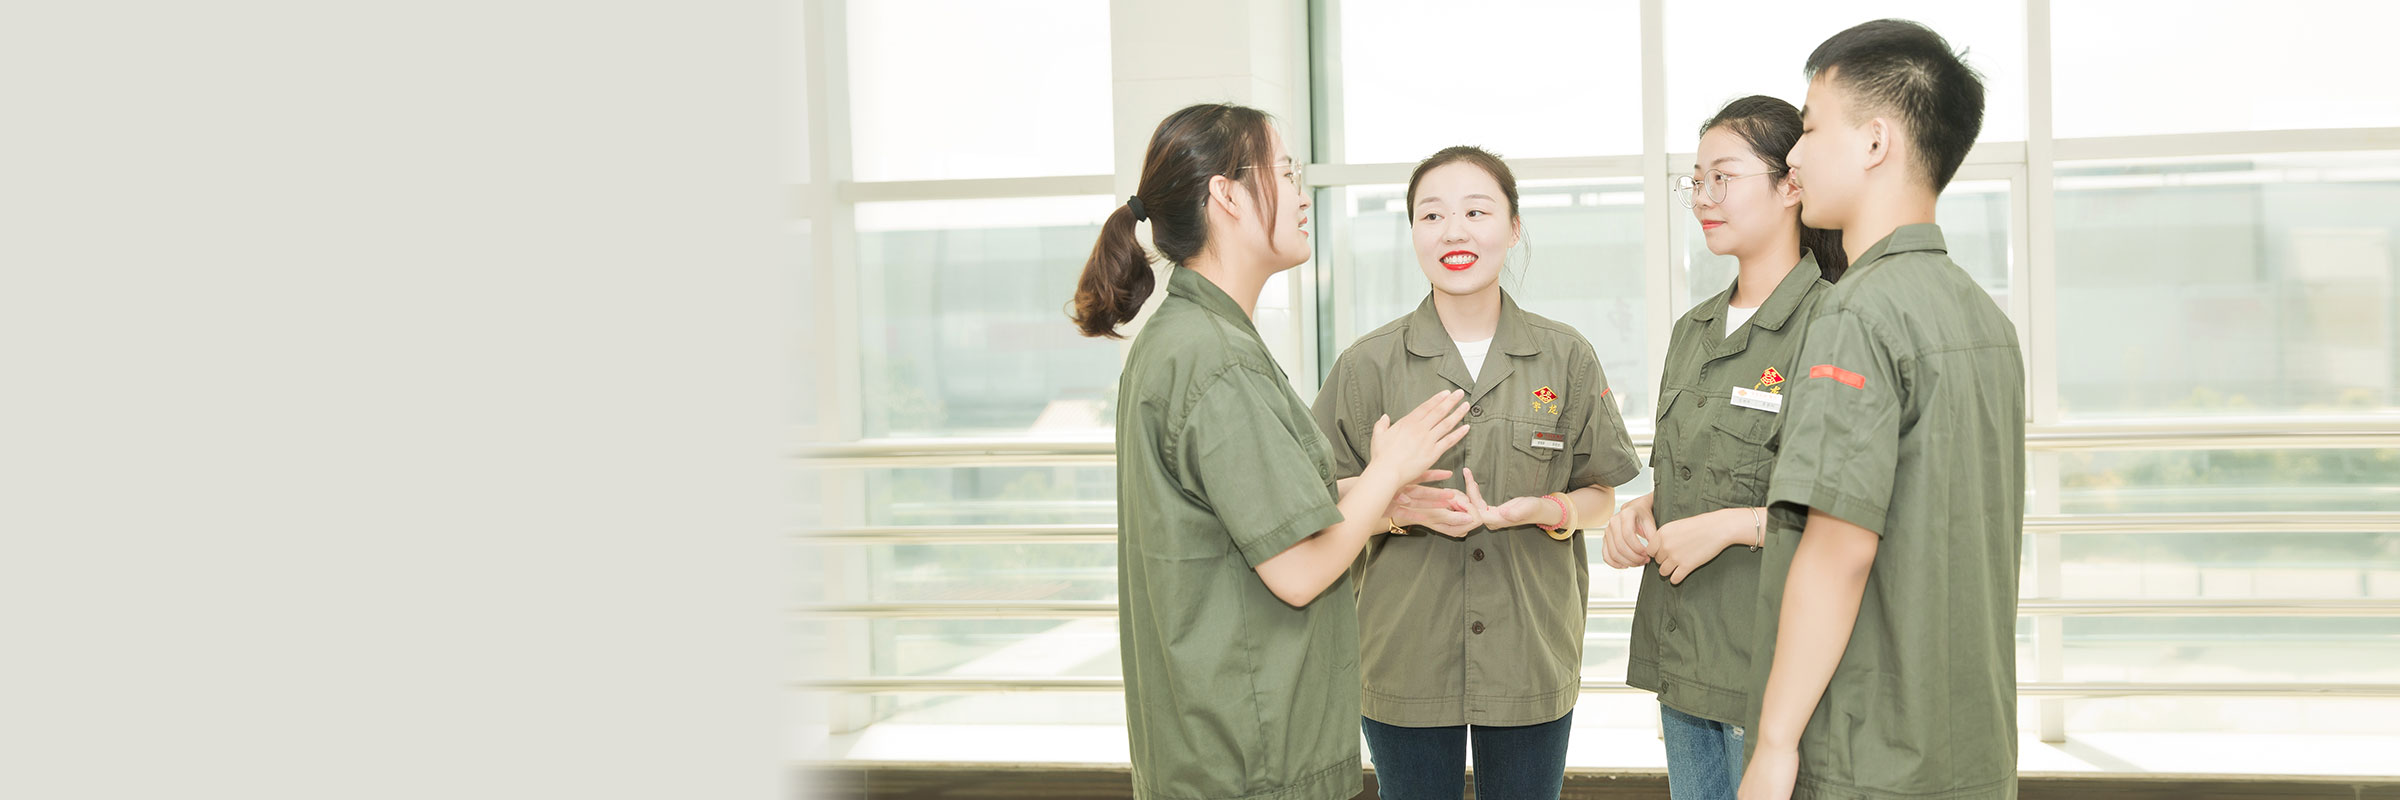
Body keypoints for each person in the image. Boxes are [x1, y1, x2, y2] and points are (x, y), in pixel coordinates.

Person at [1069, 102, 1471, 800]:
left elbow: (1246, 516)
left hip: (1216, 751)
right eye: (1286, 172)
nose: (1302, 194)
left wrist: (1381, 500)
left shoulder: (1191, 338)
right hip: (1251, 761)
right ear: (1226, 195)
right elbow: (1297, 571)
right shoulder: (1216, 360)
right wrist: (1385, 471)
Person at [1734, 20, 2027, 800]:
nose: (1795, 156)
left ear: (1873, 142)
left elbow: (1839, 551)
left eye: (1809, 128)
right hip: (1969, 750)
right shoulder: (1982, 316)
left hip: (1868, 755)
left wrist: (1774, 747)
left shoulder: (1858, 312)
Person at [1311, 145, 1642, 800]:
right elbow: (1319, 501)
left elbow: (1602, 494)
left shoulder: (1566, 356)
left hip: (1530, 650)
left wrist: (1549, 510)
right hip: (1403, 654)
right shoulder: (1366, 365)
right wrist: (1393, 506)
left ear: (1513, 228)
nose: (1453, 232)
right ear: (1413, 233)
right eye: (1432, 215)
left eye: (1476, 212)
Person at [1603, 94, 1846, 800]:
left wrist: (1734, 526)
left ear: (1790, 186)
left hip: (1770, 662)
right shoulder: (1694, 330)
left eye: (1724, 177)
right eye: (1697, 180)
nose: (1704, 197)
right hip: (1685, 657)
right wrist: (1646, 509)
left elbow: (1848, 509)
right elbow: (1705, 466)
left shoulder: (1833, 322)